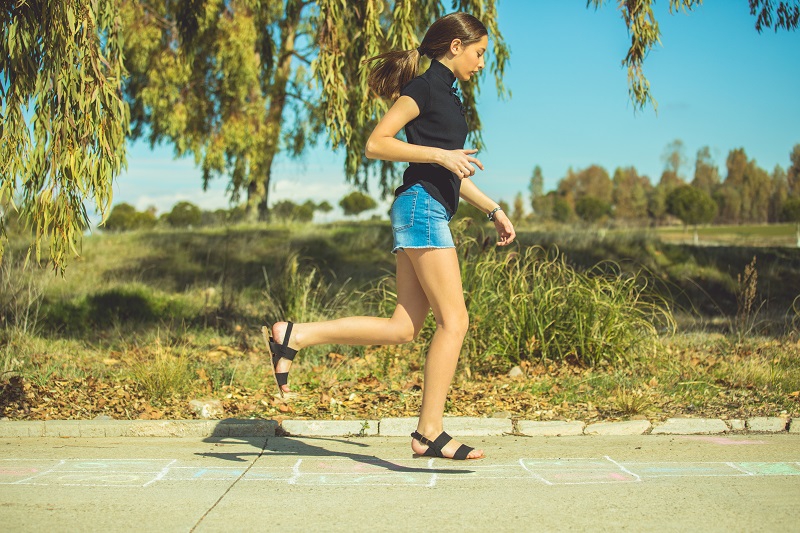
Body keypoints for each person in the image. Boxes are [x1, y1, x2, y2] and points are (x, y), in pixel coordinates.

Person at [263, 12, 515, 461]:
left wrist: (492, 208)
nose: (481, 63)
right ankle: (429, 432)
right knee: (454, 322)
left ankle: (294, 336)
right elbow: (376, 143)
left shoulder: (450, 97)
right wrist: (439, 153)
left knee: (403, 328)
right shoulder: (424, 88)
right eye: (478, 54)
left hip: (423, 206)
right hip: (422, 208)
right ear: (455, 46)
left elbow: (449, 169)